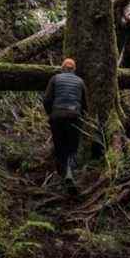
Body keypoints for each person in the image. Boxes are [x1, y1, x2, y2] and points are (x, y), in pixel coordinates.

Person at [43, 58, 87, 192]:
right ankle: (69, 173)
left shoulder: (55, 79)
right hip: (74, 117)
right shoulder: (80, 81)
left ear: (62, 68)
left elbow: (47, 99)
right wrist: (82, 115)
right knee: (72, 148)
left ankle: (61, 179)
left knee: (60, 147)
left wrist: (51, 113)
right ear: (74, 69)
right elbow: (85, 104)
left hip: (57, 117)